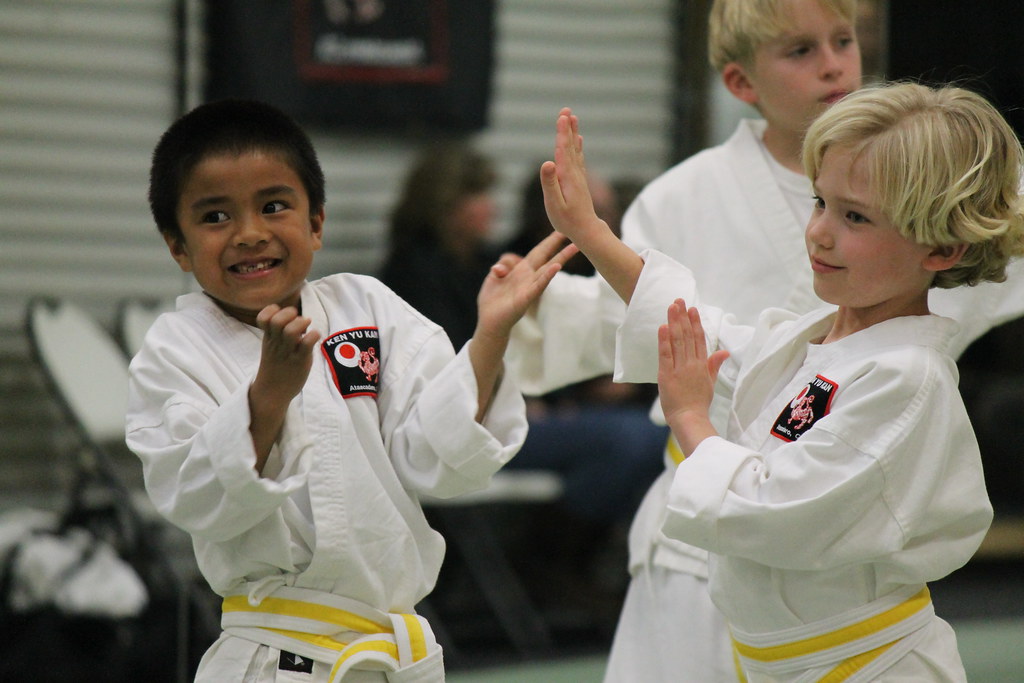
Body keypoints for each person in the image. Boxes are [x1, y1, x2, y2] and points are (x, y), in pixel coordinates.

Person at [507, 1, 1024, 678]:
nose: (820, 233)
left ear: (941, 247)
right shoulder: (814, 339)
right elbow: (705, 329)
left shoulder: (905, 375)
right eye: (819, 202)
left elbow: (768, 506)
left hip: (851, 644)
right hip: (742, 598)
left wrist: (692, 416)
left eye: (854, 216)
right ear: (739, 80)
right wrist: (592, 235)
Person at [126, 99, 573, 682]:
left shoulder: (366, 308)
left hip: (394, 653)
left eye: (274, 206)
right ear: (177, 246)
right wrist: (269, 397)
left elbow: (440, 461)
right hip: (274, 659)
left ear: (316, 223)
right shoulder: (175, 350)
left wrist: (490, 336)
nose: (250, 234)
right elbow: (194, 499)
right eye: (215, 217)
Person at [379, 143, 500, 350]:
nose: (490, 207)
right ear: (444, 203)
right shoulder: (413, 272)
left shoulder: (485, 260)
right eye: (476, 195)